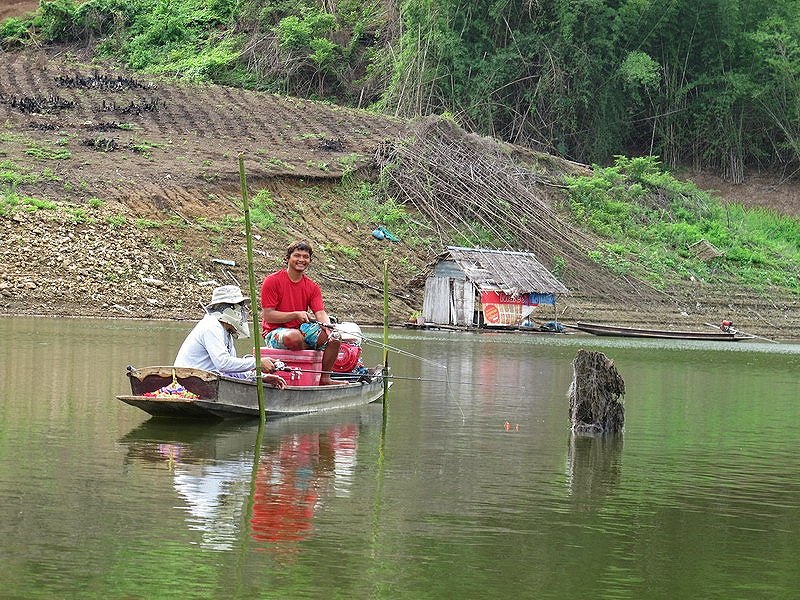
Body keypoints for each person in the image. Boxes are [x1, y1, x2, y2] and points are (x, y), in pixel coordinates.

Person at [260, 240, 341, 385]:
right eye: (297, 255)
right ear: (287, 258)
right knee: (294, 337)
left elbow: (320, 312)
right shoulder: (272, 281)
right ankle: (313, 347)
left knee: (335, 338)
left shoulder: (312, 286)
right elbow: (268, 315)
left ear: (310, 260)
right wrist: (295, 315)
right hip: (274, 331)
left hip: (301, 330)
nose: (301, 260)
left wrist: (328, 327)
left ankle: (324, 378)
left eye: (305, 256)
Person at [175, 285, 286, 388]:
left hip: (206, 381)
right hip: (190, 381)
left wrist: (260, 377)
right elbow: (223, 364)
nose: (243, 312)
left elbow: (231, 369)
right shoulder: (212, 326)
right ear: (229, 309)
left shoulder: (225, 330)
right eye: (240, 307)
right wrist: (257, 362)